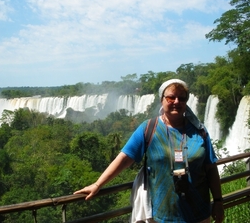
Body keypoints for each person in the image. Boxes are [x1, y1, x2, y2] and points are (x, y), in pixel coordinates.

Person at [74, 79, 225, 223]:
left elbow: (211, 168)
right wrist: (98, 184)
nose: (176, 102)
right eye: (171, 98)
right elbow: (125, 158)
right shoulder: (149, 128)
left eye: (182, 98)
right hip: (161, 215)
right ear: (162, 99)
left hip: (199, 213)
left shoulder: (199, 131)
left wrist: (218, 201)